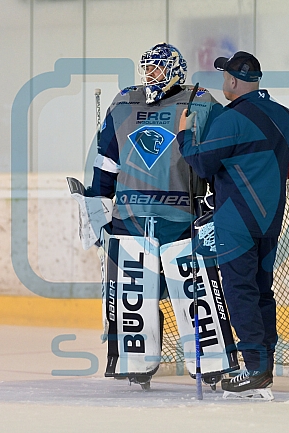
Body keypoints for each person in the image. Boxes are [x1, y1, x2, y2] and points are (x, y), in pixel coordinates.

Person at [178, 51, 289, 398]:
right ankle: (263, 367)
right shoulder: (281, 114)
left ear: (231, 81)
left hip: (236, 220)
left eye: (224, 78)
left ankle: (256, 369)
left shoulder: (231, 119)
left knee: (240, 291)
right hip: (270, 220)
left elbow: (202, 165)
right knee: (261, 291)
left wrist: (185, 134)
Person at [84, 42, 225, 389]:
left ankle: (208, 361)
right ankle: (138, 362)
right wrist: (97, 201)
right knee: (135, 293)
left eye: (158, 69)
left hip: (181, 216)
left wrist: (215, 202)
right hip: (129, 216)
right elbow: (107, 160)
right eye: (147, 68)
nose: (151, 75)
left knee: (193, 291)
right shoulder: (124, 101)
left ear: (176, 70)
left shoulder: (202, 102)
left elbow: (219, 156)